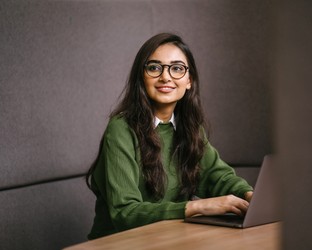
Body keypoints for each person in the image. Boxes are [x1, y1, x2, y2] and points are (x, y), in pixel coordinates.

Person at [86, 33, 253, 239]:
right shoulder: (121, 129)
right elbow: (125, 213)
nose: (166, 77)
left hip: (166, 242)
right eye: (155, 67)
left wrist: (249, 196)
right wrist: (195, 207)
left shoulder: (189, 127)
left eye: (177, 68)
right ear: (142, 77)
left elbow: (217, 176)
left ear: (189, 80)